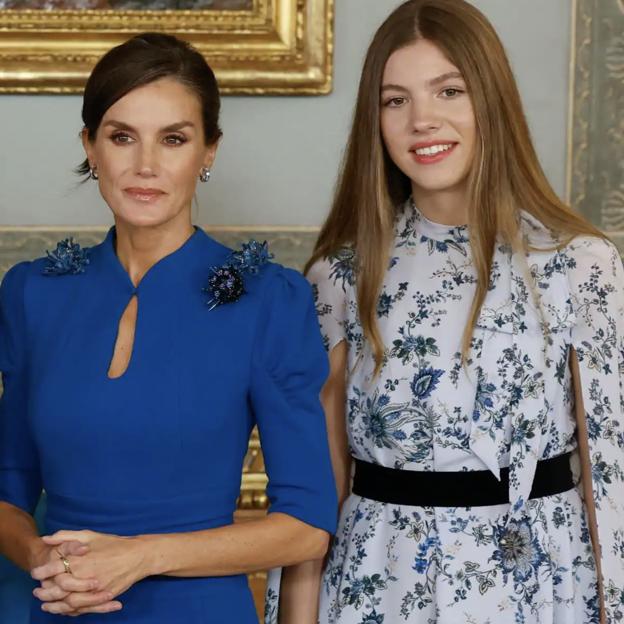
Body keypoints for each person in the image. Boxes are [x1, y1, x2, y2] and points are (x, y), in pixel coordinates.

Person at [265, 1, 624, 623]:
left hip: (541, 591)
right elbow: (316, 489)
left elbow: (610, 475)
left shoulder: (579, 265)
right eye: (394, 100)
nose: (421, 121)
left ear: (491, 101)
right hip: (378, 585)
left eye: (449, 90)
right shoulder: (341, 277)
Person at [0, 32, 337, 623]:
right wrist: (41, 558)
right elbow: (9, 487)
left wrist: (137, 558)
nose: (146, 166)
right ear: (90, 145)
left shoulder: (267, 301)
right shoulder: (34, 294)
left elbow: (306, 527)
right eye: (121, 136)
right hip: (56, 605)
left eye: (174, 139)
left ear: (209, 152)